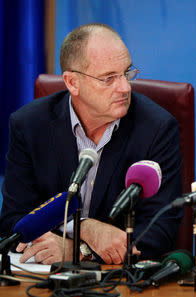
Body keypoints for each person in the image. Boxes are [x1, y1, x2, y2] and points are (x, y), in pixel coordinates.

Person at [0, 23, 183, 265]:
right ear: (72, 82)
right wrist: (83, 228)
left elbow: (160, 231)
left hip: (122, 287)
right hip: (45, 283)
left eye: (127, 73)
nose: (125, 87)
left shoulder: (156, 129)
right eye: (109, 78)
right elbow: (13, 222)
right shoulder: (29, 125)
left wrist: (79, 251)